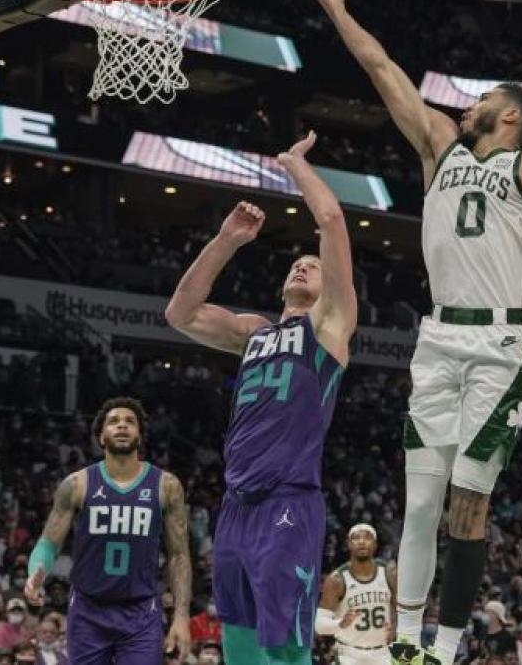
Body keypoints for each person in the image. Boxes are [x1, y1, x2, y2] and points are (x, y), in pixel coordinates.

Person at [292, 0, 522, 665]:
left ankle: (446, 649)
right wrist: (336, 8)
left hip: (502, 342)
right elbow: (381, 67)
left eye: (483, 98)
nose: (469, 104)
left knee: (466, 507)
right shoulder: (438, 147)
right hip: (440, 337)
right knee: (419, 507)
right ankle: (404, 644)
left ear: (509, 115)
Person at [164, 131, 358, 665]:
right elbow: (179, 314)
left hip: (288, 503)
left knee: (285, 648)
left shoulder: (328, 328)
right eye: (294, 264)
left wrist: (295, 166)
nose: (301, 266)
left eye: (312, 265)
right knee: (240, 645)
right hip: (236, 507)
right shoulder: (254, 332)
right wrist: (226, 241)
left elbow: (333, 223)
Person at [23, 397, 193, 665]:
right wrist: (37, 571)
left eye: (130, 422)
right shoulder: (77, 484)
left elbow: (179, 556)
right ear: (101, 437)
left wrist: (181, 617)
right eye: (113, 422)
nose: (122, 426)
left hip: (141, 611)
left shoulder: (167, 485)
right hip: (88, 610)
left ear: (140, 435)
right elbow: (49, 542)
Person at [316, 524, 397, 665]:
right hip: (349, 655)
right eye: (356, 538)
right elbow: (319, 626)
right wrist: (340, 623)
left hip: (384, 653)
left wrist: (397, 627)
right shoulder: (336, 580)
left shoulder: (389, 573)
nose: (361, 541)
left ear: (375, 544)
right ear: (349, 544)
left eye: (367, 538)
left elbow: (403, 609)